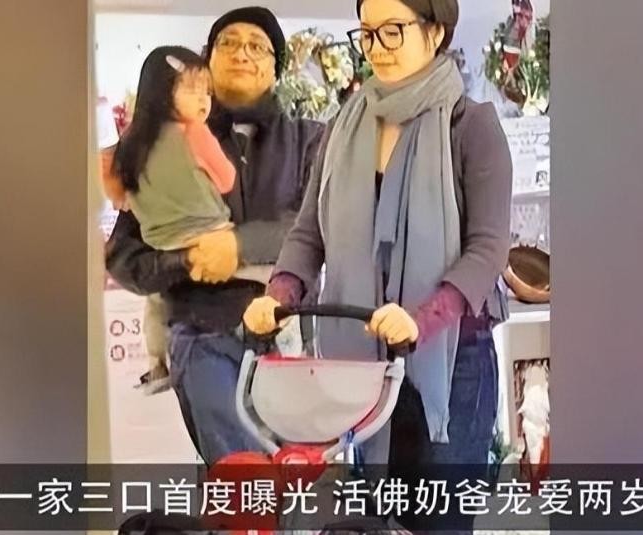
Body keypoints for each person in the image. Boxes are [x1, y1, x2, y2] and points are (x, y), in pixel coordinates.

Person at [243, 0, 512, 528]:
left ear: (435, 32)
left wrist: (422, 318)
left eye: (394, 31)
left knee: (440, 519)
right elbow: (309, 233)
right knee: (372, 513)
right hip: (363, 360)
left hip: (452, 360)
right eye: (367, 33)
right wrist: (279, 294)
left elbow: (488, 249)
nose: (377, 48)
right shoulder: (343, 129)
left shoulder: (470, 126)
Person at [105, 6, 324, 465]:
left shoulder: (312, 141)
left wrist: (238, 247)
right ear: (206, 61)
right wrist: (187, 259)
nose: (242, 53)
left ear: (276, 68)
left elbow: (323, 225)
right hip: (201, 331)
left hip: (291, 334)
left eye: (257, 46)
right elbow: (123, 255)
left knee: (293, 478)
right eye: (229, 43)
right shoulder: (156, 144)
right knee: (242, 475)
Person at [105, 46, 239, 392]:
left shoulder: (131, 143)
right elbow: (226, 179)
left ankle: (157, 363)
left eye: (206, 91)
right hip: (209, 230)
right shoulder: (194, 132)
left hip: (160, 241)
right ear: (163, 92)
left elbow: (120, 197)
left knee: (156, 302)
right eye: (192, 89)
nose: (204, 100)